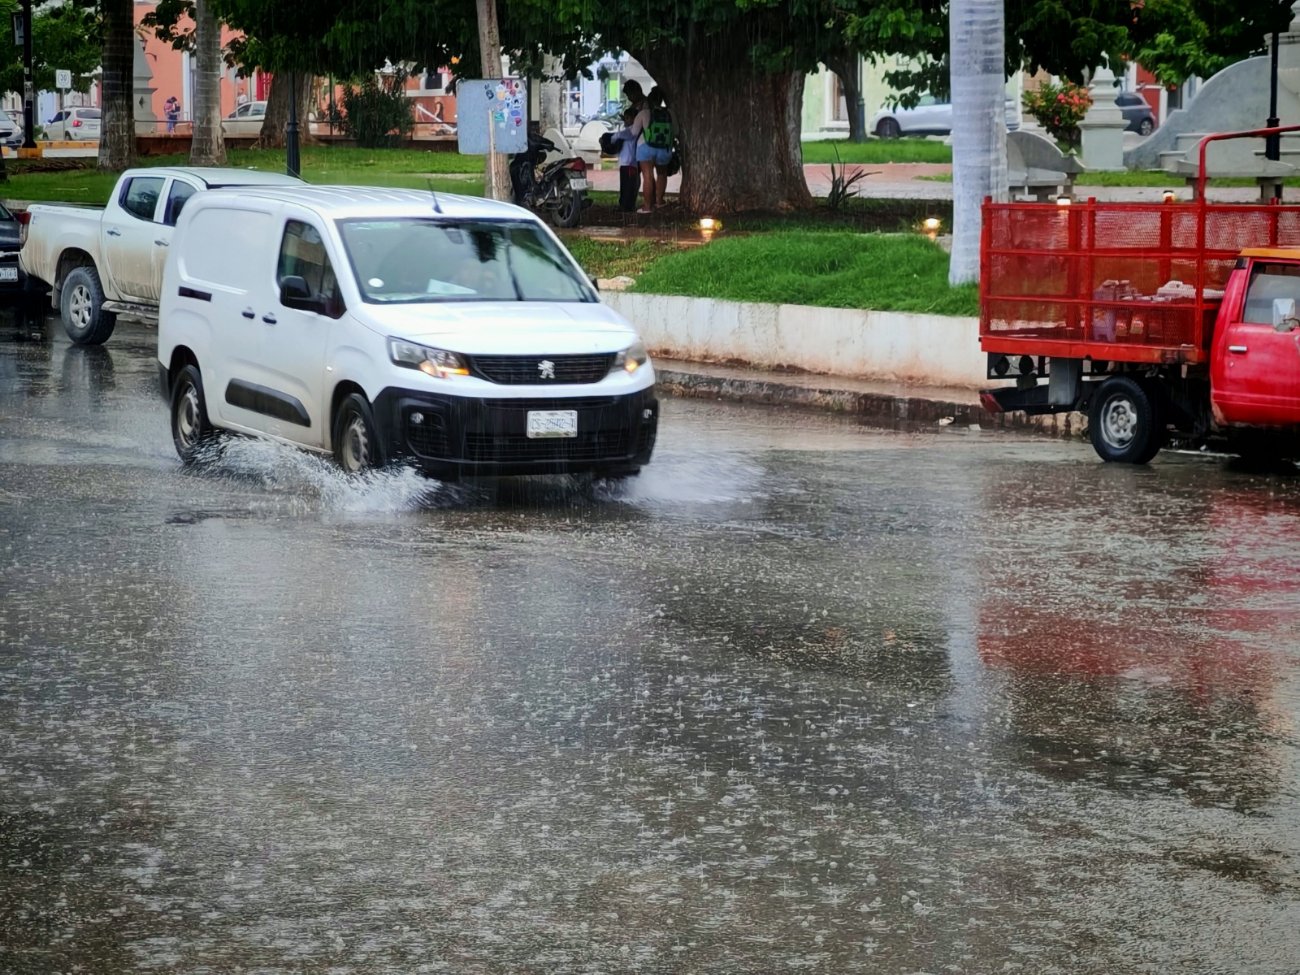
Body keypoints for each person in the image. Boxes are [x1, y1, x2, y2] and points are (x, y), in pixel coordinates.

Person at [634, 87, 674, 214]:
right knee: (662, 174)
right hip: (664, 149)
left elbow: (634, 132)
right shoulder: (670, 113)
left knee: (647, 176)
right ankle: (659, 202)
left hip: (646, 148)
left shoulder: (644, 113)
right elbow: (676, 131)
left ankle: (647, 207)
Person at [608, 107, 640, 212]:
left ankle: (628, 206)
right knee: (624, 185)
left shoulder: (632, 131)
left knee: (629, 186)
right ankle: (624, 205)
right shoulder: (629, 130)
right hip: (625, 163)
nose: (625, 121)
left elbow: (619, 136)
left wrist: (611, 138)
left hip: (630, 163)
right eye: (625, 118)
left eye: (627, 118)